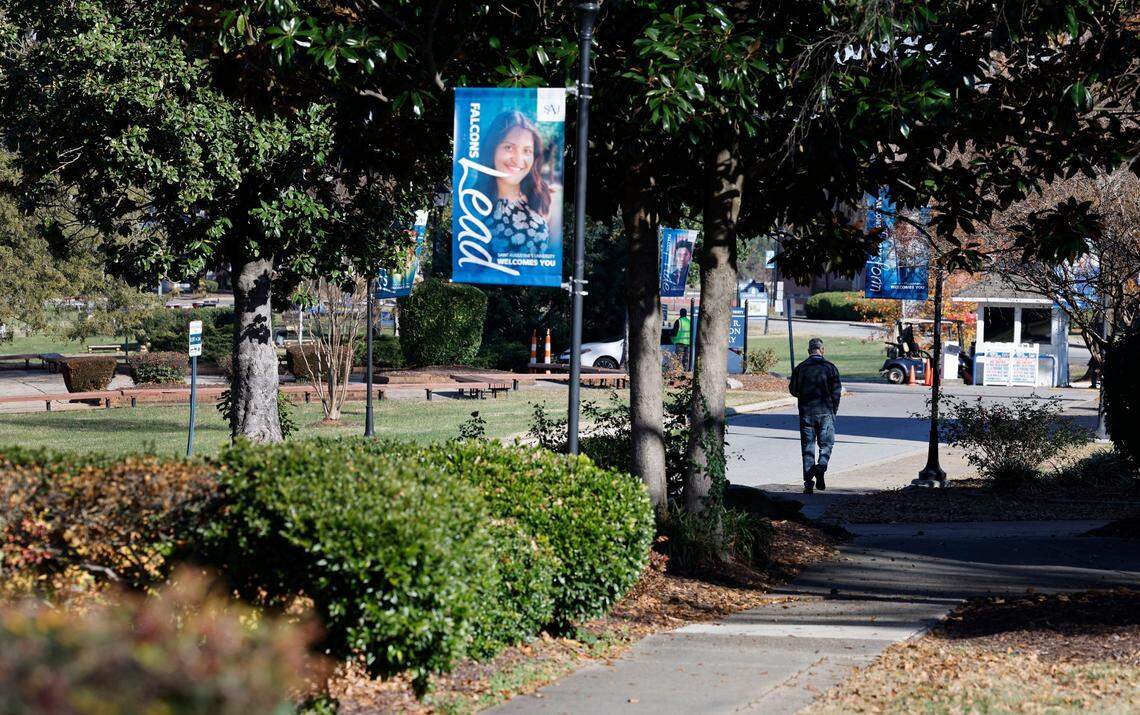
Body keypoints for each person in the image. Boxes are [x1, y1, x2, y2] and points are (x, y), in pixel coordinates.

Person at [475, 110, 553, 255]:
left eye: (527, 151)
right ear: (492, 149)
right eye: (509, 147)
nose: (518, 159)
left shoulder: (544, 206)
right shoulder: (470, 204)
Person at [789, 337, 842, 494]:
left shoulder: (800, 368)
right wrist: (834, 409)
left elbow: (793, 390)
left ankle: (808, 482)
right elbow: (836, 392)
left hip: (806, 412)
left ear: (808, 351)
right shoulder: (830, 368)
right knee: (826, 444)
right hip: (826, 411)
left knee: (808, 447)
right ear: (822, 350)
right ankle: (821, 466)